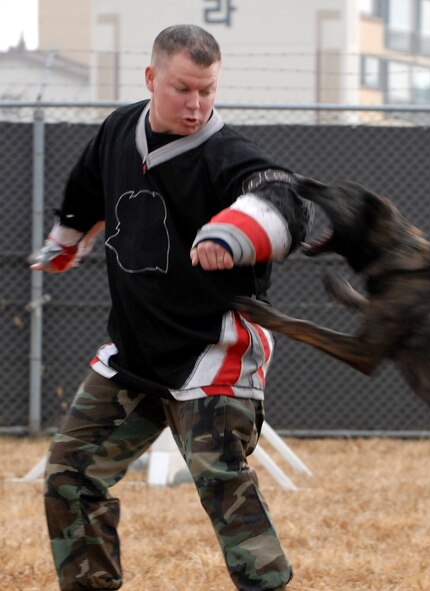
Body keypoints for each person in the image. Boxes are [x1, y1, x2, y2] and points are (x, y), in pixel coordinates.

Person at [30, 24, 311, 591]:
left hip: (215, 348)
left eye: (208, 90)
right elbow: (86, 188)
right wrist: (65, 241)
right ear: (151, 77)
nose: (196, 104)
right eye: (183, 88)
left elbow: (282, 196)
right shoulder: (118, 129)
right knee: (70, 475)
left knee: (219, 478)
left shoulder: (226, 152)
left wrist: (236, 233)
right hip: (135, 349)